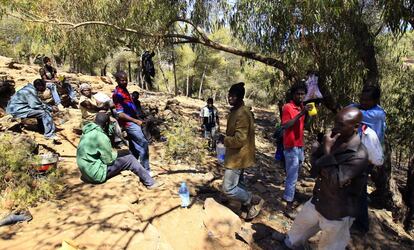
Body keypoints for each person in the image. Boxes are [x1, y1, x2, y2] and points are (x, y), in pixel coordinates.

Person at [283, 107, 369, 249]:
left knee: (329, 245)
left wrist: (327, 151)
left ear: (355, 127)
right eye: (336, 122)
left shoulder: (360, 154)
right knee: (297, 232)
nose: (336, 127)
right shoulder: (334, 138)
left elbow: (335, 180)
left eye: (341, 124)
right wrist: (317, 151)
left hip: (338, 211)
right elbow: (316, 166)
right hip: (319, 199)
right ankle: (291, 244)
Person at [76, 112, 163, 189]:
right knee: (130, 159)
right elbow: (108, 160)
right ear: (106, 124)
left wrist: (119, 153)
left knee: (126, 153)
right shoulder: (101, 137)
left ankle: (139, 171)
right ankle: (150, 183)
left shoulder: (87, 131)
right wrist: (117, 154)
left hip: (86, 172)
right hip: (96, 175)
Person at [218, 82, 264, 220]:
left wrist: (224, 140)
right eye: (229, 95)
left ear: (239, 97)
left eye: (233, 96)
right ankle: (246, 207)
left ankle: (253, 200)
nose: (229, 98)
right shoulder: (236, 111)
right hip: (238, 155)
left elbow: (240, 139)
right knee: (239, 184)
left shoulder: (242, 114)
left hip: (238, 157)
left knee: (228, 188)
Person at [349, 85, 386, 234]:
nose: (363, 102)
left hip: (366, 157)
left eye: (367, 100)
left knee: (360, 190)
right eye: (361, 99)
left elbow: (350, 111)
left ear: (376, 100)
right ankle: (352, 217)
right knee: (356, 187)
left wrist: (356, 106)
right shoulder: (368, 109)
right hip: (359, 154)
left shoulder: (376, 114)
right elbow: (351, 106)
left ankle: (362, 225)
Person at [281, 81, 312, 215]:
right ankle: (288, 205)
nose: (300, 96)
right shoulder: (288, 107)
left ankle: (291, 197)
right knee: (292, 176)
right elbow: (286, 125)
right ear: (293, 94)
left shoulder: (302, 107)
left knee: (294, 174)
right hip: (290, 146)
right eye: (298, 94)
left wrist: (308, 114)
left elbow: (304, 125)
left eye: (302, 94)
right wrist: (300, 113)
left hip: (299, 145)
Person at [112, 71, 152, 175]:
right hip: (129, 123)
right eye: (122, 80)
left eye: (126, 80)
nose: (125, 82)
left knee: (134, 147)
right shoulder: (117, 94)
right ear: (117, 80)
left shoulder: (124, 90)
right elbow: (120, 114)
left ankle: (132, 166)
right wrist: (136, 121)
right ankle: (146, 171)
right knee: (143, 143)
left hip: (133, 119)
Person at [79, 83, 126, 147]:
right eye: (85, 90)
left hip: (96, 114)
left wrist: (108, 104)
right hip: (90, 117)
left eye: (88, 90)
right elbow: (93, 107)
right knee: (110, 120)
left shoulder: (91, 97)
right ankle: (117, 141)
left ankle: (117, 139)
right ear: (82, 91)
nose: (87, 91)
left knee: (113, 118)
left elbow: (100, 103)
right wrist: (102, 108)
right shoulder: (83, 100)